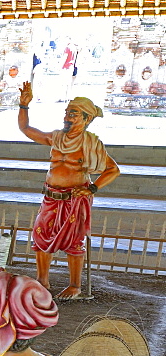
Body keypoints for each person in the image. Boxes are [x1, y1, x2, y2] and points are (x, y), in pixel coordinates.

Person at [18, 83, 120, 300]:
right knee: (40, 234)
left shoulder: (90, 143)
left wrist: (92, 188)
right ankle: (42, 281)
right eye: (66, 113)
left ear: (86, 119)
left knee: (74, 241)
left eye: (72, 114)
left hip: (75, 200)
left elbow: (113, 170)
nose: (67, 117)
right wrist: (24, 105)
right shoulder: (56, 138)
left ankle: (75, 286)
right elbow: (26, 130)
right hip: (50, 197)